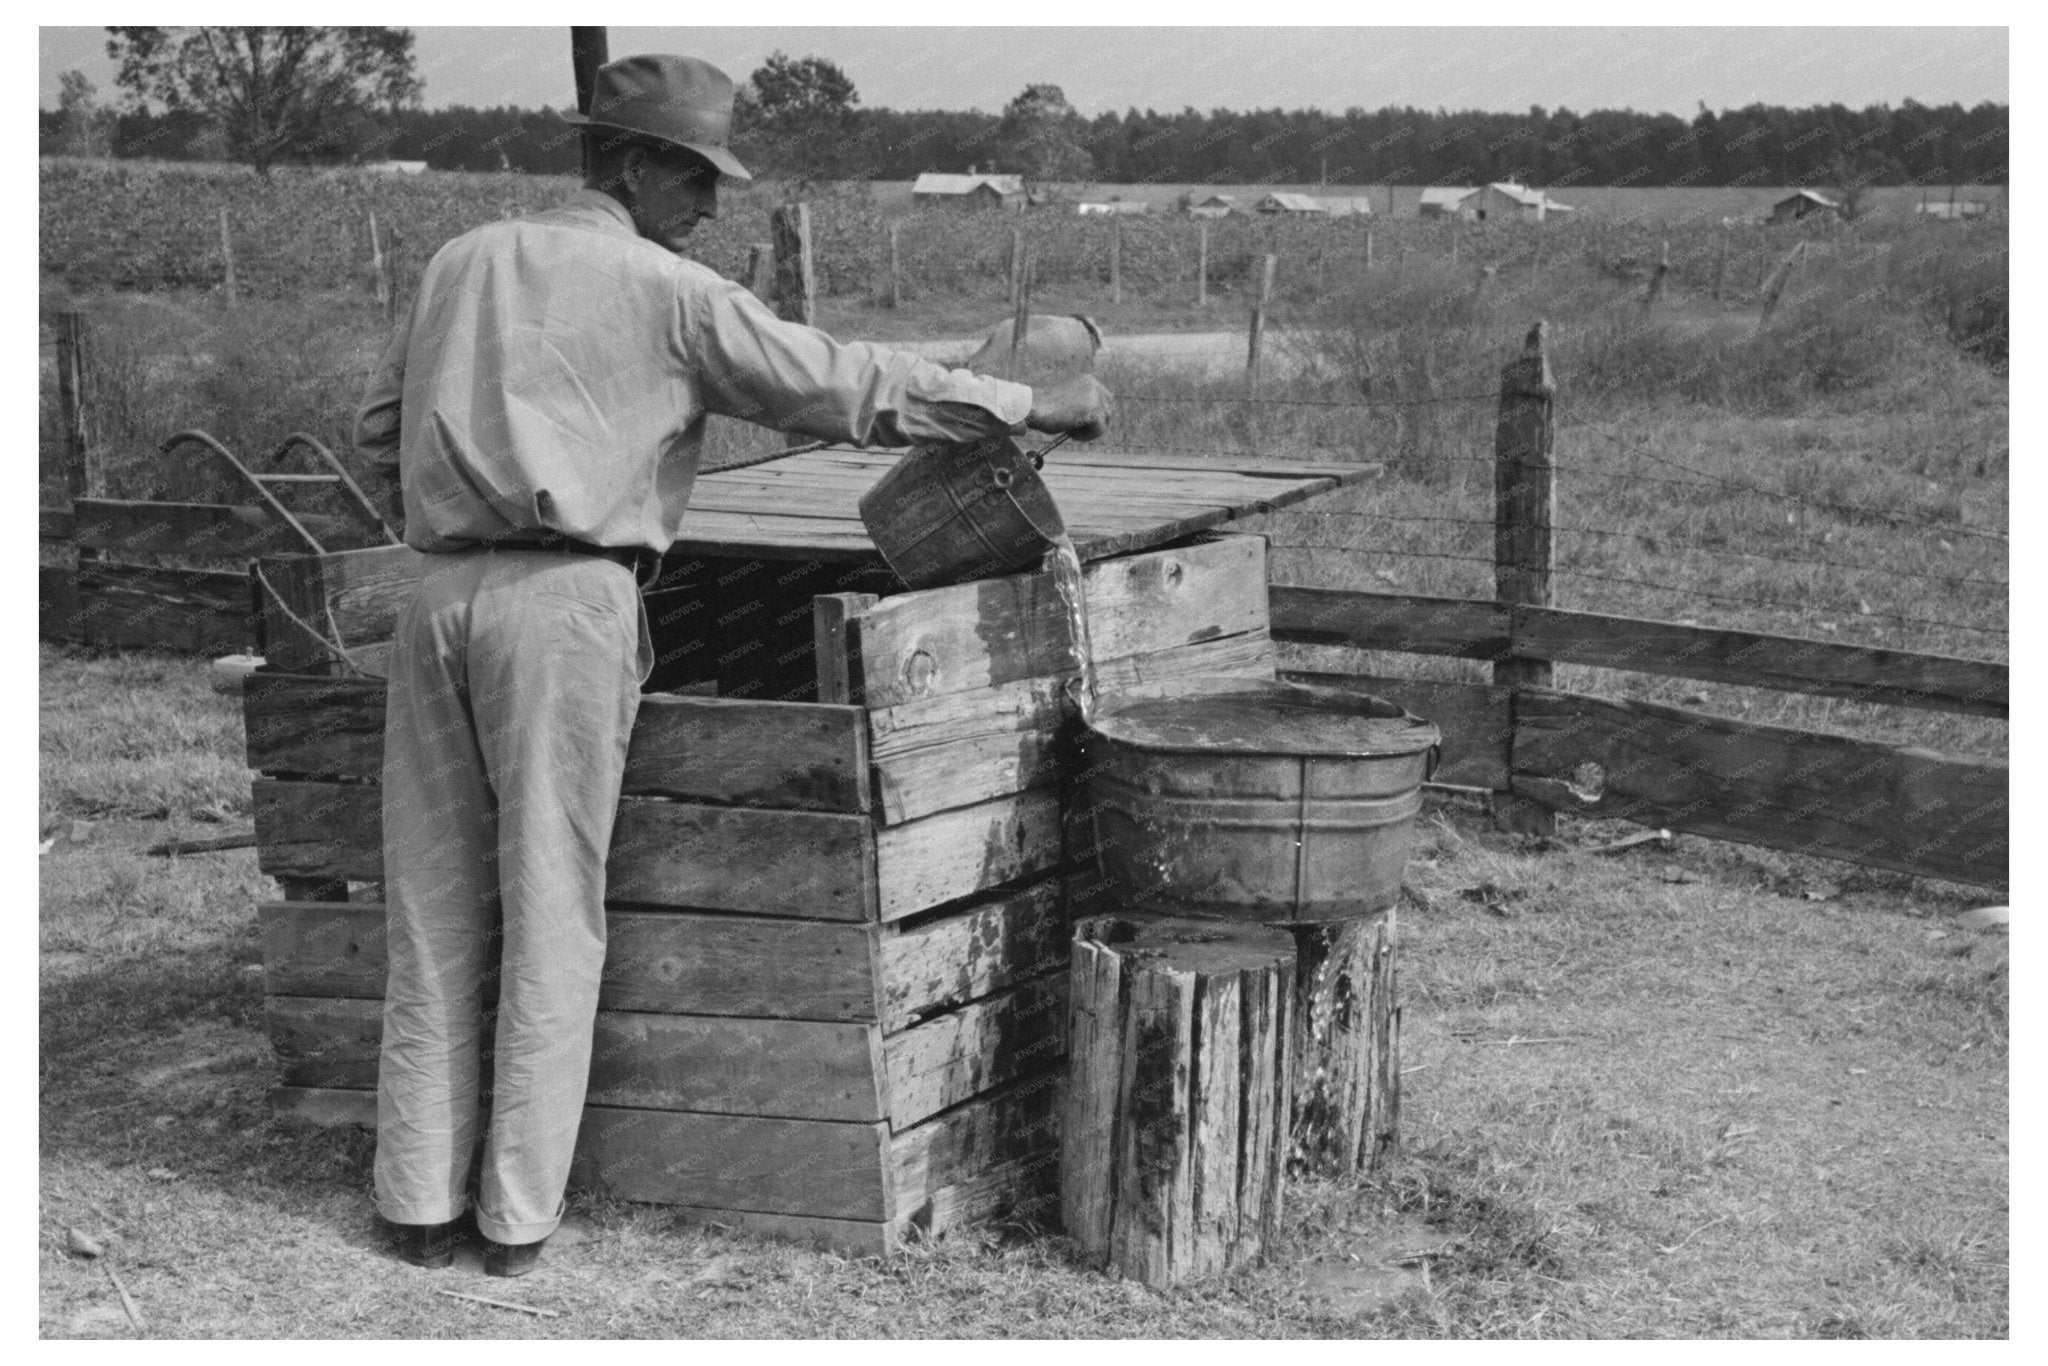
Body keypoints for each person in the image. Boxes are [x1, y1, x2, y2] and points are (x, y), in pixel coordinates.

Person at [353, 53, 1112, 1278]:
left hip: (434, 591)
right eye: (697, 178)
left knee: (432, 900)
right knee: (553, 901)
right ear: (636, 163)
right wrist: (1029, 400)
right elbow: (850, 384)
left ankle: (413, 1201)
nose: (708, 208)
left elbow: (379, 432)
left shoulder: (460, 261)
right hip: (567, 602)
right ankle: (511, 1220)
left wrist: (468, 492)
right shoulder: (670, 290)